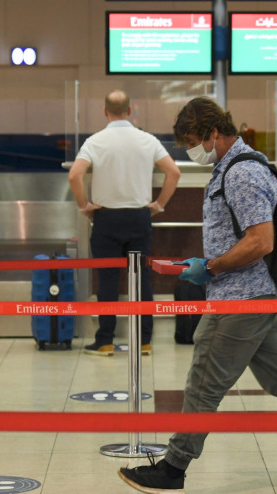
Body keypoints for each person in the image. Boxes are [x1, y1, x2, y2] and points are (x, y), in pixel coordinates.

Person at [117, 97, 277, 494]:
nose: (191, 149)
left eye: (194, 140)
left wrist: (209, 268)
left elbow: (260, 241)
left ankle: (173, 470)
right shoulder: (233, 167)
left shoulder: (242, 173)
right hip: (257, 296)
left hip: (241, 300)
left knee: (203, 382)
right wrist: (206, 264)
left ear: (214, 132)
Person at [67, 90, 181, 356]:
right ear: (130, 111)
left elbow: (75, 176)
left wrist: (85, 207)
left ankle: (105, 340)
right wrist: (159, 205)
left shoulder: (95, 141)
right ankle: (143, 340)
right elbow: (173, 172)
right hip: (139, 217)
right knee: (141, 278)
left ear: (105, 112)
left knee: (106, 280)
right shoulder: (147, 140)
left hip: (106, 218)